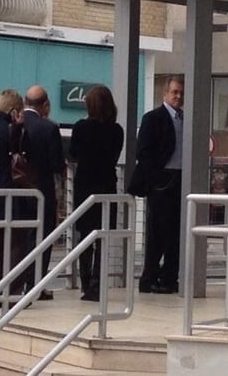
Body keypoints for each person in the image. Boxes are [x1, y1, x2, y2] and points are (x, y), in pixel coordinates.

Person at [128, 76, 184, 294]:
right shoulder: (153, 118)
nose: (178, 96)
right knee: (157, 231)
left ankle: (169, 277)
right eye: (175, 92)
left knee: (176, 232)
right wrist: (156, 177)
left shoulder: (185, 119)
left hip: (181, 178)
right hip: (162, 180)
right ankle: (149, 277)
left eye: (181, 93)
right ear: (165, 94)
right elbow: (143, 151)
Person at [70, 86, 124, 301]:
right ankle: (97, 284)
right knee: (103, 238)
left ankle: (85, 282)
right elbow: (115, 155)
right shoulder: (116, 130)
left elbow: (73, 153)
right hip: (107, 186)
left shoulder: (80, 127)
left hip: (85, 186)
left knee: (85, 236)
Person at [0, 89, 32, 296]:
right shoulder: (13, 132)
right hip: (13, 190)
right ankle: (13, 290)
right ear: (13, 111)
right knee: (17, 243)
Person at [21, 85, 66, 300]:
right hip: (42, 190)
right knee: (43, 237)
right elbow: (56, 164)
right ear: (46, 105)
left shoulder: (15, 124)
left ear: (25, 102)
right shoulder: (49, 128)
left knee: (20, 238)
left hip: (17, 190)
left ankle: (17, 282)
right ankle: (36, 284)